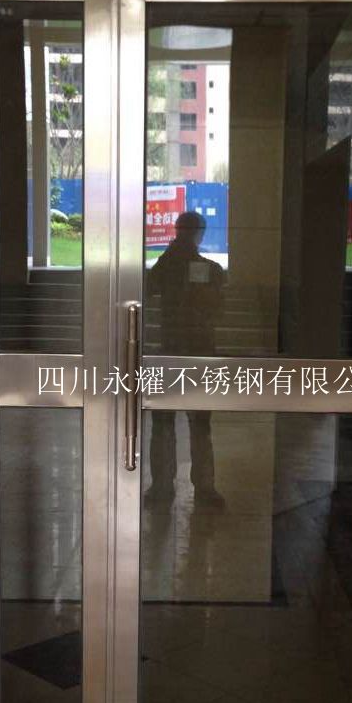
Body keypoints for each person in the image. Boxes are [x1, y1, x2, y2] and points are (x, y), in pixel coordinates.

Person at [145, 211, 225, 509]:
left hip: (178, 350)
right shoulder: (187, 268)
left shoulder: (190, 268)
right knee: (196, 425)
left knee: (168, 423)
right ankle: (201, 487)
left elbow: (216, 308)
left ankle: (164, 487)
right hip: (189, 351)